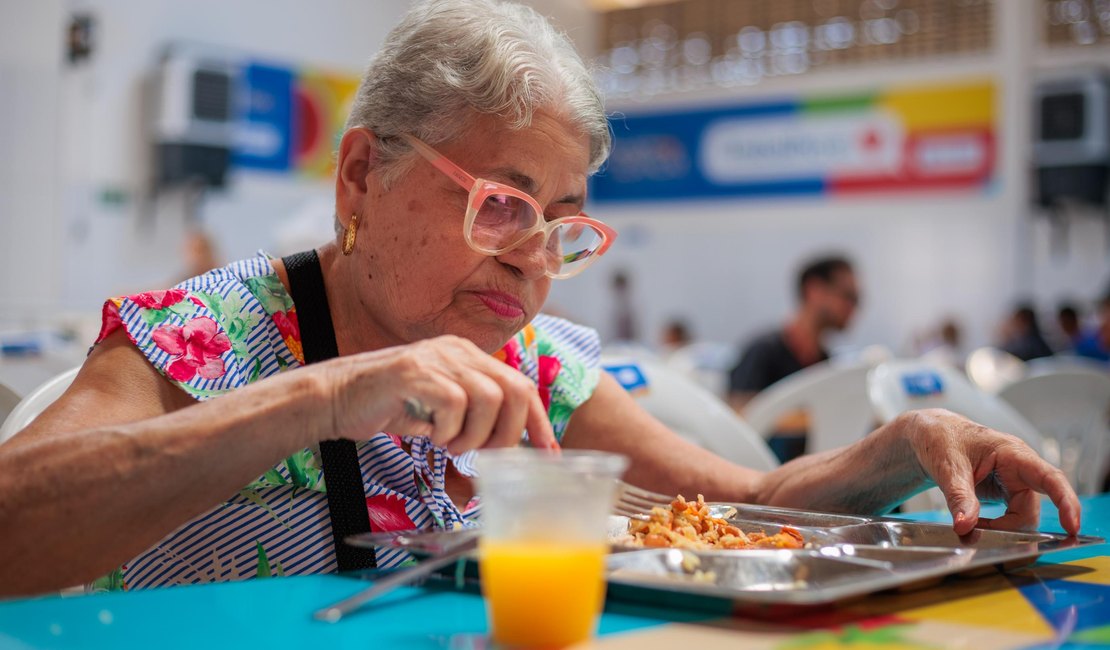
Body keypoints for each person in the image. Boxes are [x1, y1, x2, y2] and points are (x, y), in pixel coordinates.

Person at [0, 0, 1078, 598]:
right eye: (500, 204)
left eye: (558, 225)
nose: (532, 263)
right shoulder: (204, 337)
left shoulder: (535, 366)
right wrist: (323, 395)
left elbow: (750, 500)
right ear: (362, 174)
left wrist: (898, 446)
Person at [728, 256, 859, 413]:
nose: (854, 307)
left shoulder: (824, 362)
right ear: (814, 290)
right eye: (848, 296)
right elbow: (738, 412)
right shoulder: (763, 351)